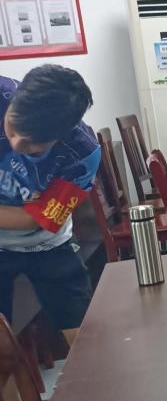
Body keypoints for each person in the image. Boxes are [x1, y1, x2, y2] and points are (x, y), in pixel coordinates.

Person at [0, 65, 100, 346]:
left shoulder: (81, 154)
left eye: (34, 145)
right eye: (12, 127)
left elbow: (36, 220)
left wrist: (28, 214)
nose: (17, 144)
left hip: (49, 245)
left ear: (61, 135)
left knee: (84, 341)